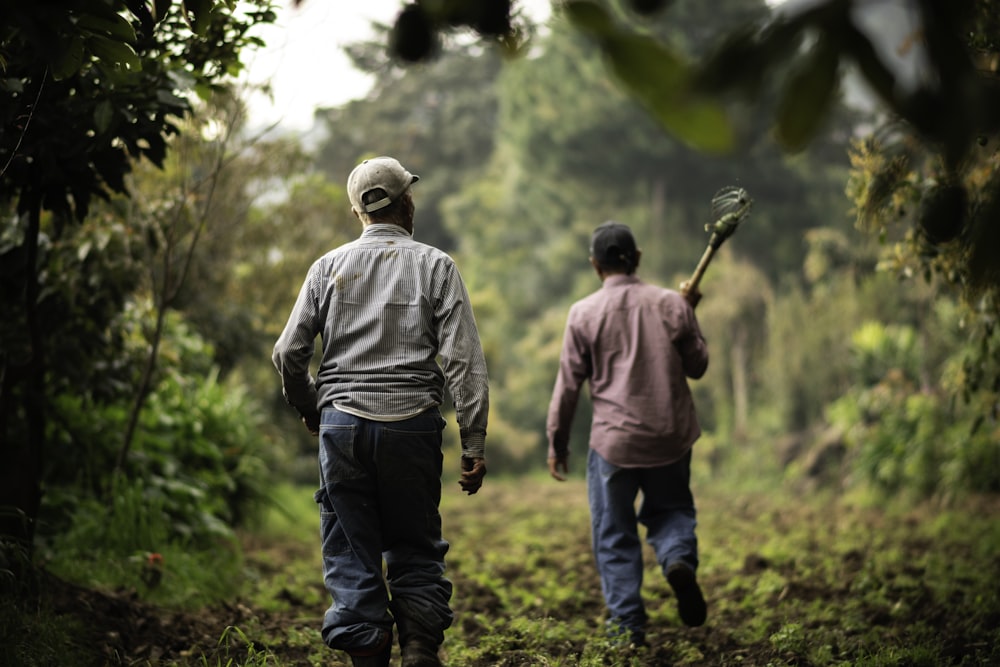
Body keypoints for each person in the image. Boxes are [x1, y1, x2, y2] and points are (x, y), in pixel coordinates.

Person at [272, 156, 489, 667]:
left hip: (342, 427)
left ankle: (369, 655)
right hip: (412, 426)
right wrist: (473, 443)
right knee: (414, 544)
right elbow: (464, 363)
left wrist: (310, 407)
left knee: (351, 551)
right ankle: (417, 648)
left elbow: (288, 352)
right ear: (407, 202)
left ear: (357, 212)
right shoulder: (437, 266)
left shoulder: (327, 268)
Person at [546, 220, 709, 647]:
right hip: (669, 437)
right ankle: (677, 561)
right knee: (672, 509)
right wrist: (689, 312)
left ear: (595, 265)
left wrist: (557, 441)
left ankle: (627, 628)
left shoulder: (582, 313)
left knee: (614, 532)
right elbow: (698, 366)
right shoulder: (671, 305)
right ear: (637, 259)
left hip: (613, 445)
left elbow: (568, 386)